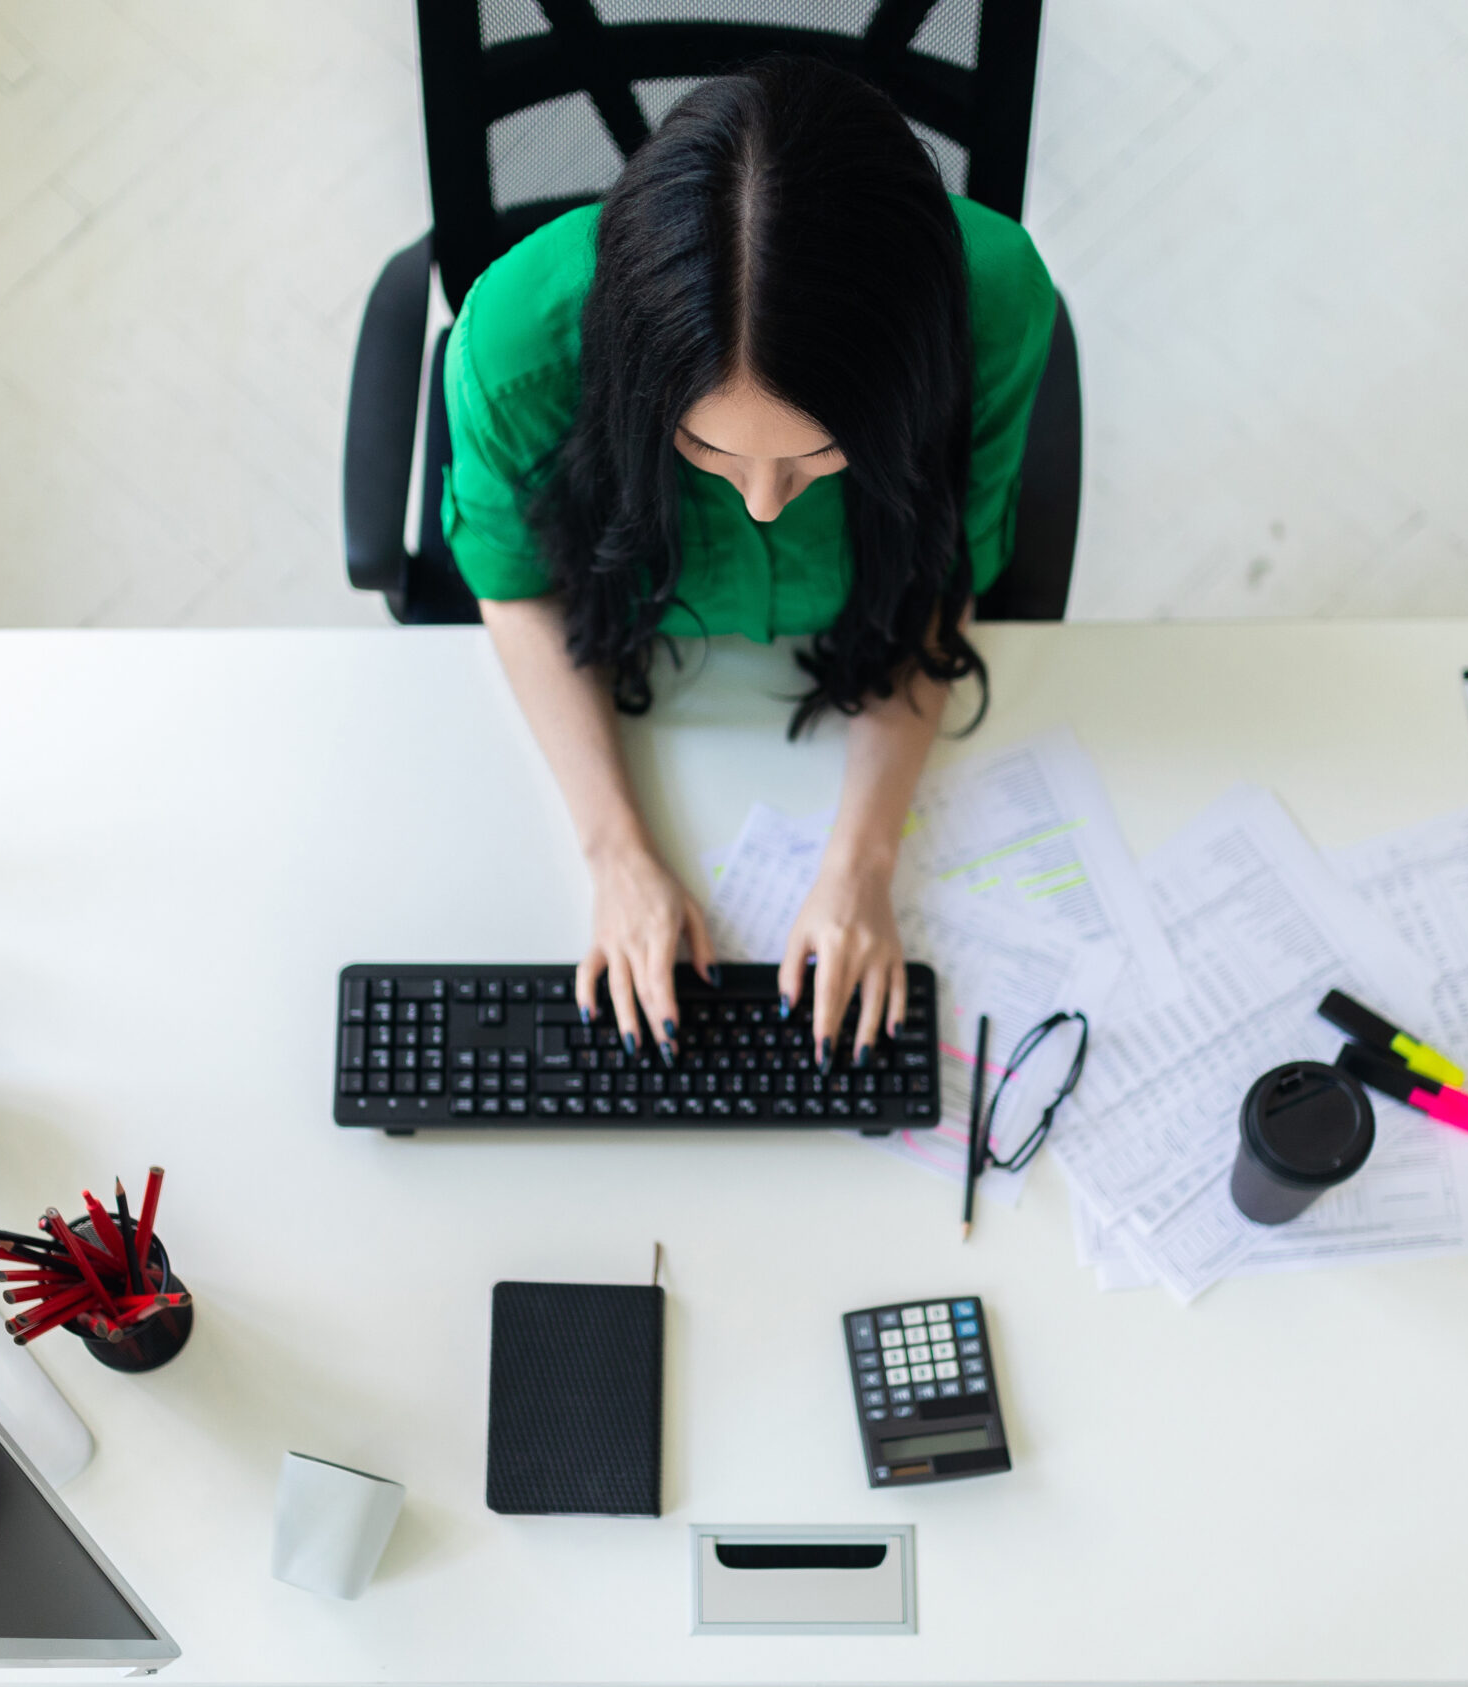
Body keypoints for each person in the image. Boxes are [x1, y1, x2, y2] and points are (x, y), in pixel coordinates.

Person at [442, 56, 1055, 1070]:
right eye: (710, 452)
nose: (765, 500)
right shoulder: (515, 351)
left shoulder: (990, 305)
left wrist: (861, 864)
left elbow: (943, 576)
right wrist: (615, 854)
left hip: (853, 686)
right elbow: (514, 591)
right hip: (636, 692)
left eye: (818, 455)